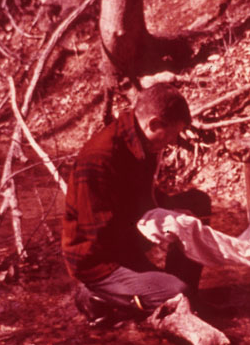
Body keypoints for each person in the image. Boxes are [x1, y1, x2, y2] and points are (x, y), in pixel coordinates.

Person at [61, 83, 211, 326]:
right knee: (178, 295)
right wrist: (157, 229)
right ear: (153, 124)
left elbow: (143, 194)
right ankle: (96, 295)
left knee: (197, 204)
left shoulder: (144, 143)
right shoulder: (99, 157)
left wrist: (169, 212)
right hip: (99, 260)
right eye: (172, 133)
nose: (172, 141)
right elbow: (98, 234)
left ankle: (173, 288)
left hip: (127, 237)